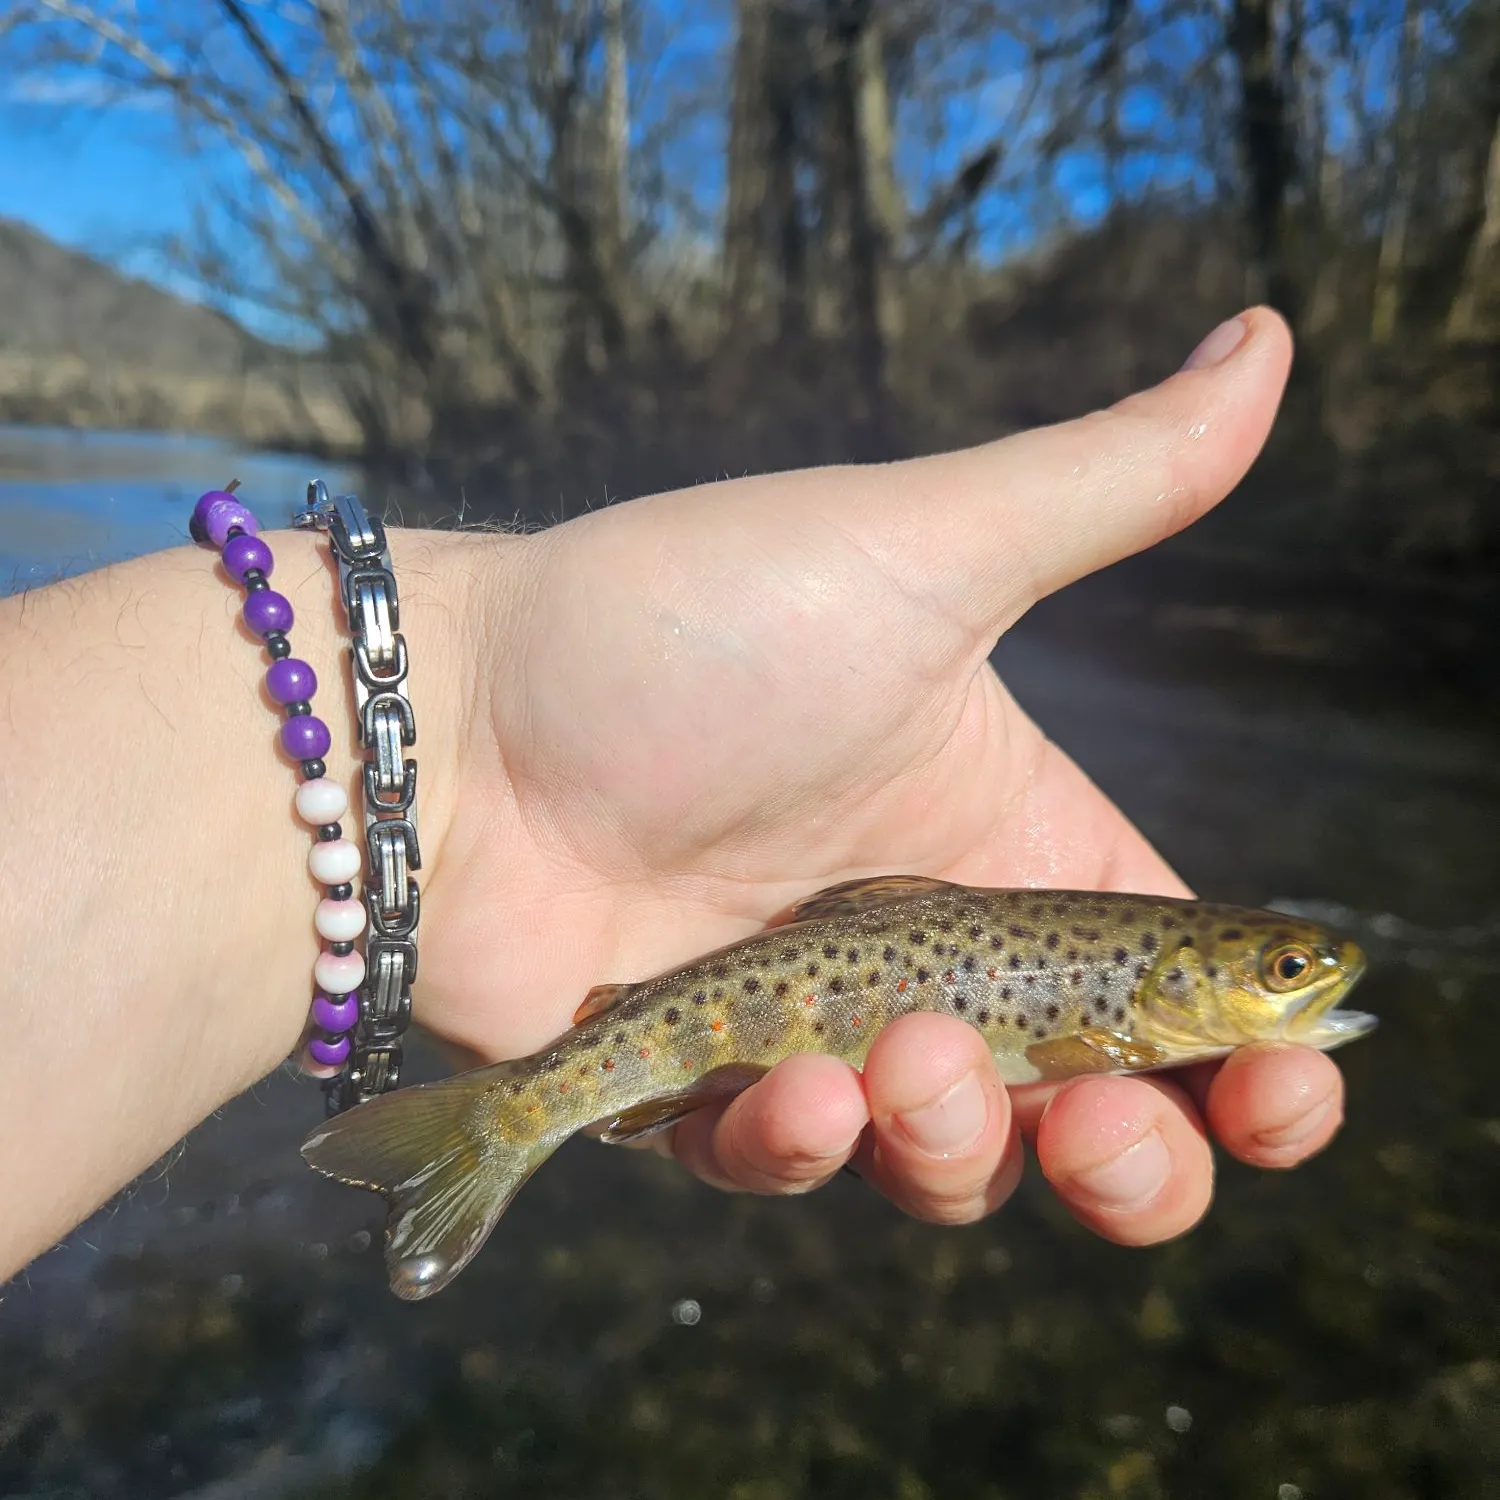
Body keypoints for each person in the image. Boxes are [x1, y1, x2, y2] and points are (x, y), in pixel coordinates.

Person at [0, 308, 1346, 1288]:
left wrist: (458, 739)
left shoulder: (1127, 985)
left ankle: (519, 1113)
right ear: (1186, 979)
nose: (1301, 983)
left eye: (1286, 969)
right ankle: (507, 1122)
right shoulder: (1118, 1014)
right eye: (1282, 969)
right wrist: (470, 720)